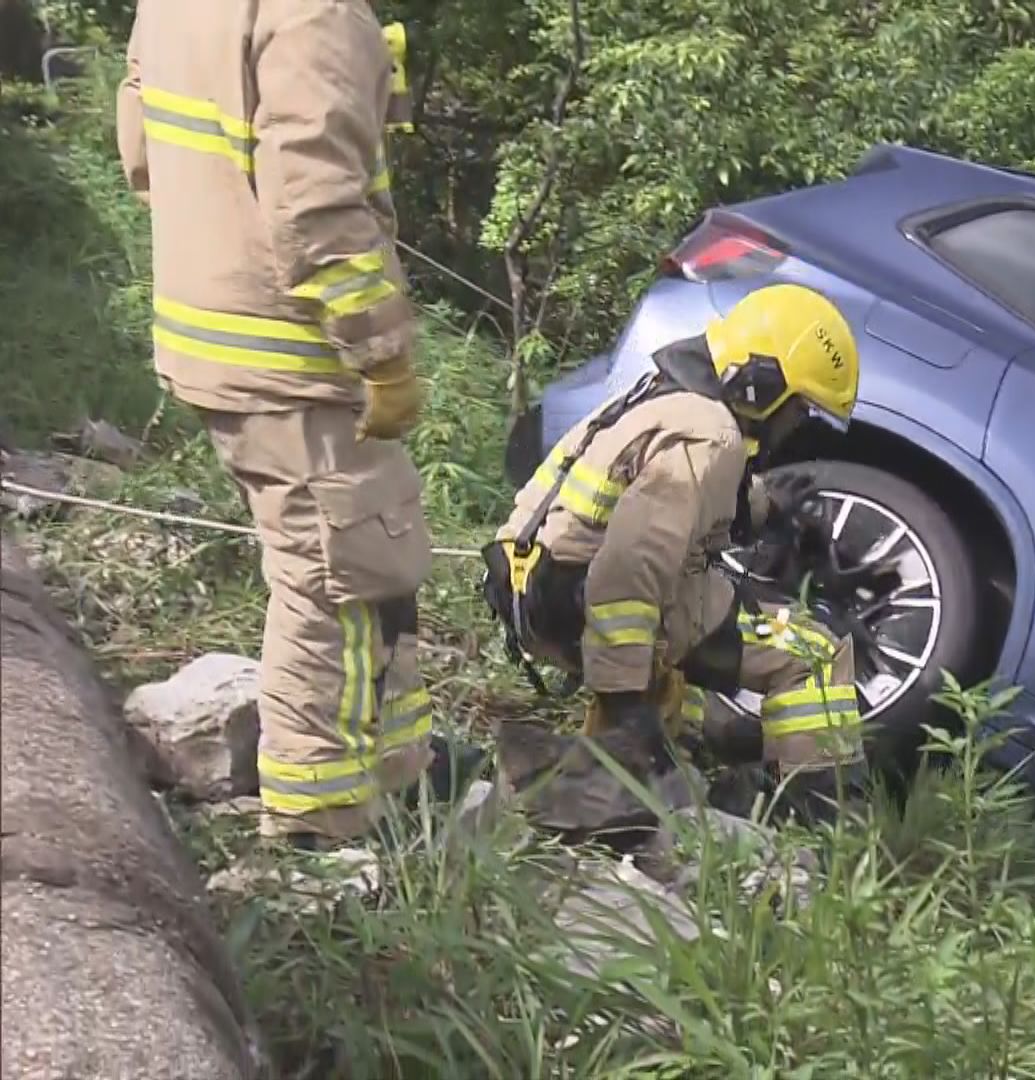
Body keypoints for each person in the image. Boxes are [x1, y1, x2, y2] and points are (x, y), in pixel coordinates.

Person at [117, 0, 439, 847]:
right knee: (336, 579)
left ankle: (400, 774)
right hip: (290, 355)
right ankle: (317, 821)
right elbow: (317, 207)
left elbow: (141, 150)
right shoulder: (314, 12)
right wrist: (384, 353)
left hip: (210, 335)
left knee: (370, 557)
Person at [483, 282, 867, 828]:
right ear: (763, 384)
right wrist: (624, 708)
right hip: (583, 599)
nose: (798, 425)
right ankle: (817, 822)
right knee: (816, 650)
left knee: (693, 641)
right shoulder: (711, 438)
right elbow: (629, 571)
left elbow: (670, 501)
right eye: (801, 408)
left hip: (531, 584)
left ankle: (685, 760)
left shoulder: (664, 397)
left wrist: (768, 510)